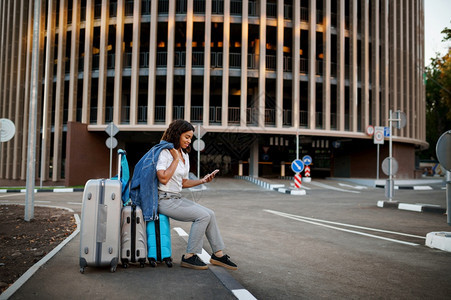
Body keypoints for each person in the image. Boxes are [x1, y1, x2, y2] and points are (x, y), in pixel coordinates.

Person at [155, 120, 237, 270]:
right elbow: (163, 178)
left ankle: (218, 255)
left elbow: (182, 182)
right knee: (202, 216)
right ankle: (189, 256)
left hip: (176, 197)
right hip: (163, 200)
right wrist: (175, 159)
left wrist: (202, 180)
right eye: (186, 137)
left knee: (210, 214)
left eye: (190, 138)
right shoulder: (165, 153)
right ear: (177, 134)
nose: (189, 141)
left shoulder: (184, 155)